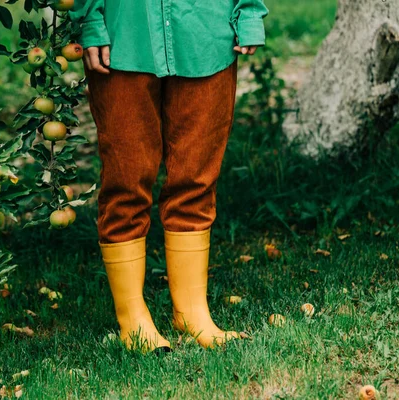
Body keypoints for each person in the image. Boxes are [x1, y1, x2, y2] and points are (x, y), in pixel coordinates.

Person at [69, 0, 269, 352]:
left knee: (196, 180)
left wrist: (249, 10)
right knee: (125, 180)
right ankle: (132, 317)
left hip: (206, 30)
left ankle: (192, 312)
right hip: (124, 33)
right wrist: (90, 21)